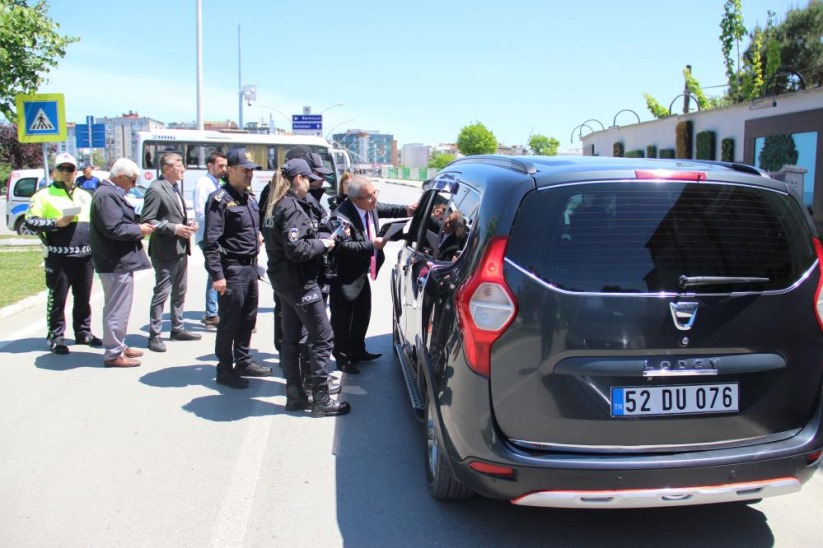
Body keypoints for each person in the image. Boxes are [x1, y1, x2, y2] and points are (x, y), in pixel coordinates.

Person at [261, 158, 350, 416]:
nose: (310, 185)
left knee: (291, 339)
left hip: (285, 283)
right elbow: (296, 249)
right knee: (322, 338)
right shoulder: (291, 208)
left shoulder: (275, 204)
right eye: (308, 180)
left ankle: (295, 395)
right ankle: (321, 399)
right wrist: (325, 245)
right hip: (300, 282)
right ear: (298, 179)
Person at [330, 176, 415, 374]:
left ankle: (358, 351)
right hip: (345, 276)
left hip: (362, 273)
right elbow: (341, 247)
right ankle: (342, 358)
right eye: (370, 196)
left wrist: (407, 209)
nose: (375, 199)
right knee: (343, 320)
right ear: (356, 199)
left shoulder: (370, 205)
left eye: (376, 192)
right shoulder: (341, 216)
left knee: (362, 314)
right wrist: (372, 245)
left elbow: (385, 208)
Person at [203, 148, 272, 389]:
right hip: (231, 270)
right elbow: (211, 242)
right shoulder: (219, 199)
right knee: (230, 322)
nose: (249, 174)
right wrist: (217, 275)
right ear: (229, 170)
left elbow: (252, 229)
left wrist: (258, 238)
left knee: (248, 319)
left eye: (252, 170)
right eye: (245, 170)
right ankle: (224, 370)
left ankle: (243, 360)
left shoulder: (249, 197)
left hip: (250, 269)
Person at [24, 152, 102, 354]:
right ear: (54, 172)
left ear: (76, 172)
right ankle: (56, 337)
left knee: (83, 298)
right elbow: (30, 222)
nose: (66, 173)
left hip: (85, 256)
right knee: (58, 299)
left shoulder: (85, 195)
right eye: (62, 169)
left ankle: (83, 332)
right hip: (59, 257)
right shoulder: (43, 195)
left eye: (70, 169)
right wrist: (55, 224)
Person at [90, 158, 155, 367]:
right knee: (117, 308)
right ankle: (113, 353)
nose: (133, 185)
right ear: (119, 177)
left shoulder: (110, 194)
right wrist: (139, 230)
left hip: (118, 261)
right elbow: (114, 228)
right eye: (132, 181)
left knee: (121, 307)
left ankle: (118, 345)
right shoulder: (107, 195)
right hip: (114, 261)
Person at [141, 152, 201, 352]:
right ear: (167, 168)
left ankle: (177, 328)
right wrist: (175, 228)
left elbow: (174, 215)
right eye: (179, 164)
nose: (183, 168)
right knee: (162, 292)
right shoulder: (156, 189)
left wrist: (186, 225)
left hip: (180, 248)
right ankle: (154, 335)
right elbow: (148, 220)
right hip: (165, 250)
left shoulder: (174, 188)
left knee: (180, 290)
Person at [192, 151, 227, 327]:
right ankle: (212, 313)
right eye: (220, 166)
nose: (223, 169)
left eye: (225, 166)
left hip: (214, 235)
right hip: (208, 235)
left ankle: (213, 312)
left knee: (216, 272)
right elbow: (201, 212)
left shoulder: (217, 183)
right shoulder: (203, 184)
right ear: (210, 165)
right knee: (216, 272)